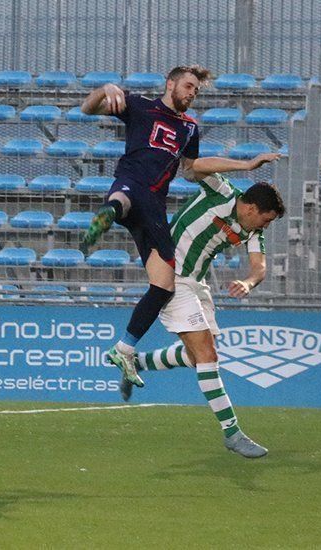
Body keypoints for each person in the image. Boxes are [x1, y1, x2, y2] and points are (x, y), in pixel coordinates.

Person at [120, 153, 286, 459]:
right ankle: (232, 433)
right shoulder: (222, 192)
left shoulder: (252, 229)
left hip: (197, 283)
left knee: (199, 358)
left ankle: (140, 363)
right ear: (251, 208)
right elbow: (192, 166)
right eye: (266, 218)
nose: (266, 225)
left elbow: (259, 267)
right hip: (171, 276)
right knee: (207, 355)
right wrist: (248, 165)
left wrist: (249, 282)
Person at [79, 65, 210, 389]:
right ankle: (111, 210)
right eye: (189, 86)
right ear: (171, 84)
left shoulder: (191, 129)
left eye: (196, 90)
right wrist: (105, 87)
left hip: (149, 204)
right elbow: (87, 107)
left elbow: (192, 171)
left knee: (164, 285)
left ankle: (124, 349)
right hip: (140, 189)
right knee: (129, 196)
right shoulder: (139, 106)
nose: (192, 93)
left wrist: (226, 168)